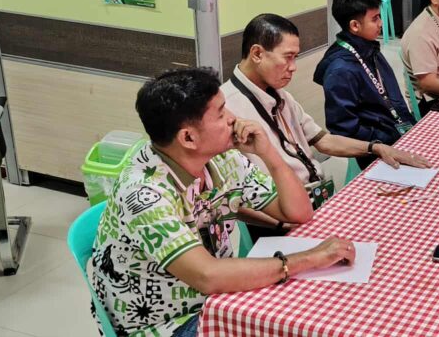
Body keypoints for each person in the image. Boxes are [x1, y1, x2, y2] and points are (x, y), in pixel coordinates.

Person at [89, 67, 357, 337]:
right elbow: (207, 276)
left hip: (214, 298)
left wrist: (268, 154)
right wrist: (309, 258)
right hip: (167, 323)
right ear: (188, 138)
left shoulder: (221, 158)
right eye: (220, 113)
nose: (233, 119)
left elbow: (298, 212)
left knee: (317, 308)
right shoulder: (143, 194)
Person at [222, 13, 428, 225]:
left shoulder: (279, 94)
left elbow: (323, 140)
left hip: (316, 200)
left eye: (295, 57)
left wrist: (376, 148)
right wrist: (282, 225)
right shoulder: (227, 108)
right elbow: (230, 197)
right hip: (282, 217)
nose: (293, 67)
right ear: (257, 53)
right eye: (288, 57)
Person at [314, 0, 417, 169]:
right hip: (377, 150)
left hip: (399, 133)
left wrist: (412, 129)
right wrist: (383, 142)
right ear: (355, 25)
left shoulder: (369, 48)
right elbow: (344, 129)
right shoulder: (341, 70)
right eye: (375, 18)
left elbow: (394, 100)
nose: (381, 23)